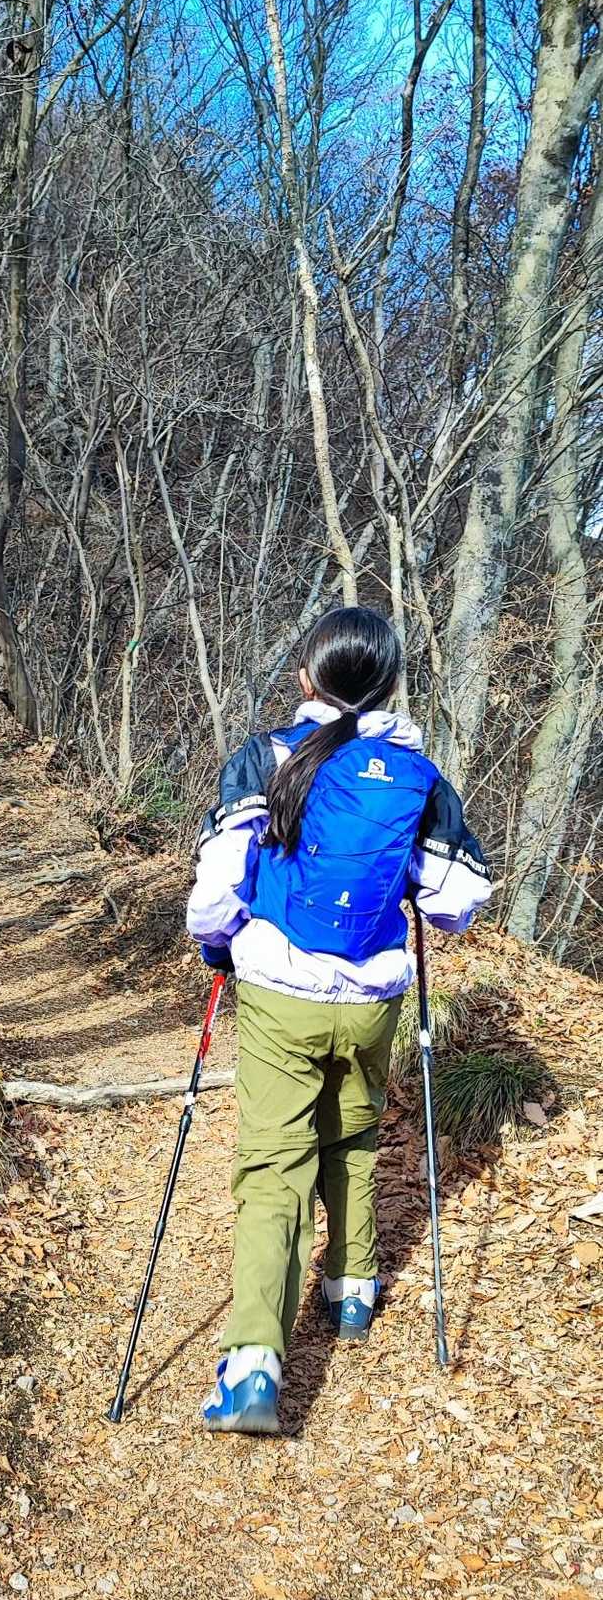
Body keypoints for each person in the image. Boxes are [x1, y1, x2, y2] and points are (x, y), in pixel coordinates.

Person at [186, 607, 492, 1435]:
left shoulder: (266, 757)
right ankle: (352, 1289)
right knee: (353, 1137)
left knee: (274, 1165)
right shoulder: (417, 775)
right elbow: (457, 903)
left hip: (281, 993)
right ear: (388, 684)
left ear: (306, 677)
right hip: (372, 1001)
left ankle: (253, 1366)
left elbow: (215, 894)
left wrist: (220, 943)